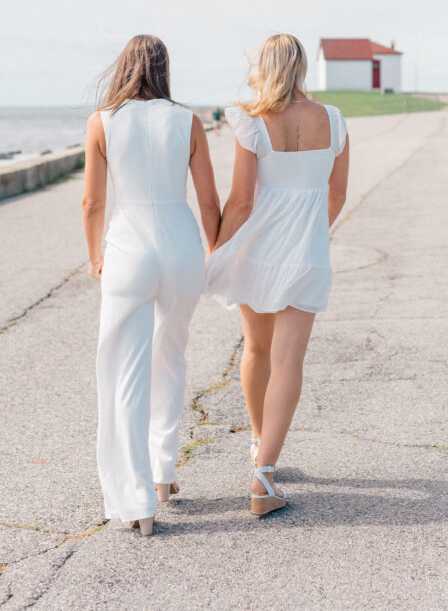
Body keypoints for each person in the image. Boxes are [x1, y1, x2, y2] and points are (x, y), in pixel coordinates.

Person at [82, 35, 220, 536]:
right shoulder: (188, 120)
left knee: (125, 373)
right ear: (165, 68)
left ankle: (139, 500)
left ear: (123, 68)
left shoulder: (103, 121)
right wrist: (214, 252)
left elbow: (93, 204)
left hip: (128, 251)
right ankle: (164, 469)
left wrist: (95, 256)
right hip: (182, 248)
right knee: (172, 354)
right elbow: (209, 202)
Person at [205, 33, 349, 516]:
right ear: (303, 66)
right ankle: (264, 473)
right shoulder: (333, 120)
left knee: (257, 349)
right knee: (289, 361)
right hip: (307, 255)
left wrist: (218, 248)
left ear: (264, 67)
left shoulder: (252, 123)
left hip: (257, 254)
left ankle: (258, 443)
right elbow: (337, 194)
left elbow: (242, 202)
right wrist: (310, 235)